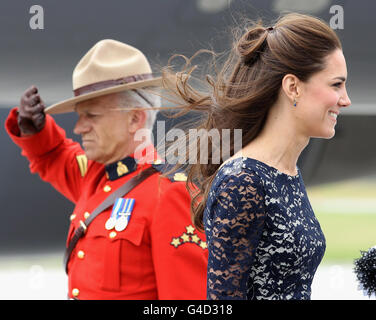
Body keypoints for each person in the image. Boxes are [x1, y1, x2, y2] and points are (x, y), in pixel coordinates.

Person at [162, 13, 351, 299]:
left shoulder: (286, 172)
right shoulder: (244, 181)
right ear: (292, 87)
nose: (345, 99)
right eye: (336, 85)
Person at [5, 39, 208, 300]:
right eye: (80, 115)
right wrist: (35, 130)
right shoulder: (96, 176)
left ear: (135, 118)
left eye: (93, 116)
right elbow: (53, 156)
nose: (78, 128)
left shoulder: (170, 194)